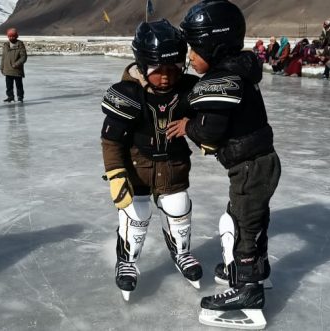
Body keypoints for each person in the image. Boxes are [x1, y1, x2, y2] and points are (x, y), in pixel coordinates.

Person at [167, 1, 281, 328]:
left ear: (213, 47)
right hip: (260, 162)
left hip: (249, 165)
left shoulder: (223, 81)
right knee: (251, 217)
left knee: (245, 224)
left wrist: (187, 126)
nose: (189, 57)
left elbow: (210, 135)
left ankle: (248, 291)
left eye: (193, 49)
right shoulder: (240, 69)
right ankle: (256, 272)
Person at [100, 19, 202, 301]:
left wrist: (195, 127)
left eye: (174, 68)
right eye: (159, 70)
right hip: (138, 167)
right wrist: (116, 173)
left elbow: (211, 117)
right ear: (143, 64)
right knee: (136, 214)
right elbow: (111, 140)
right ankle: (127, 261)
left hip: (174, 165)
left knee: (178, 207)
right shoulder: (128, 93)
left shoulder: (190, 89)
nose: (167, 77)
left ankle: (182, 253)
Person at [1, 28, 27, 103]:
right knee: (9, 85)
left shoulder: (20, 44)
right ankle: (10, 97)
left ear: (16, 36)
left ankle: (20, 97)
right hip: (7, 69)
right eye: (10, 36)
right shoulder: (6, 44)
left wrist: (17, 64)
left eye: (13, 36)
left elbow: (24, 57)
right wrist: (1, 67)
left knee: (19, 85)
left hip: (17, 69)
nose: (11, 38)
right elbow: (3, 57)